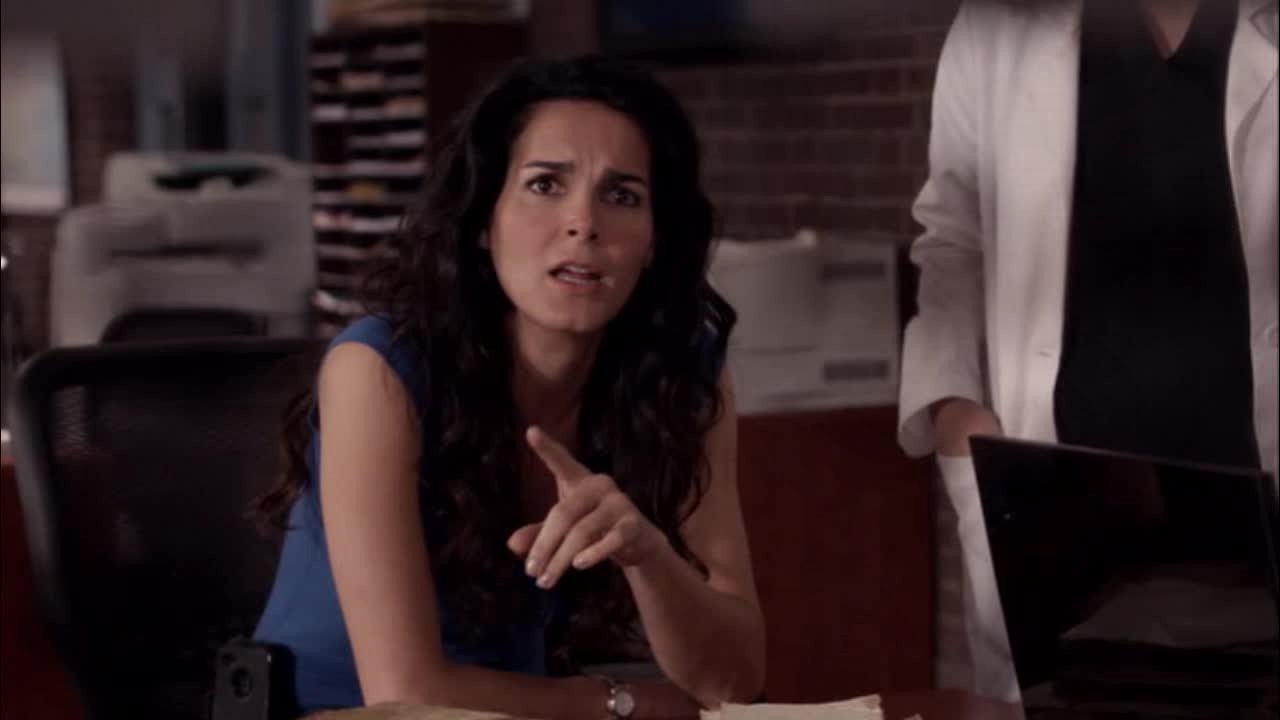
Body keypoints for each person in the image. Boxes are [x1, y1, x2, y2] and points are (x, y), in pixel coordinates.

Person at [253, 56, 766, 717]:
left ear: (653, 242)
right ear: (482, 221)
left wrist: (651, 557)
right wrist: (621, 703)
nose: (583, 223)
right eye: (545, 185)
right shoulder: (377, 372)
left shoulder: (680, 379)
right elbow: (406, 697)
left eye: (622, 196)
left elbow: (735, 680)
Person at [899, 0, 1277, 701]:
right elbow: (950, 239)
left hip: (1259, 519)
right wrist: (956, 416)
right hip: (1070, 529)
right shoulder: (997, 26)